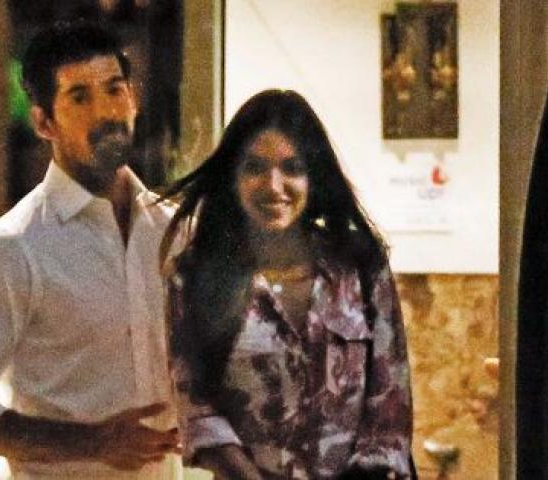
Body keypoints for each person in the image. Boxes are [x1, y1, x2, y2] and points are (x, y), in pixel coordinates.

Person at [0, 21, 182, 479]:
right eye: (80, 97)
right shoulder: (12, 249)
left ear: (134, 99)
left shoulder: (175, 231)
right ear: (44, 122)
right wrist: (93, 442)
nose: (106, 112)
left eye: (114, 89)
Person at [160, 89, 415, 479]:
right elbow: (199, 414)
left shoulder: (360, 266)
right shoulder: (193, 277)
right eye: (255, 168)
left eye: (292, 168)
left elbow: (389, 411)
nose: (274, 186)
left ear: (314, 177)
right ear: (232, 177)